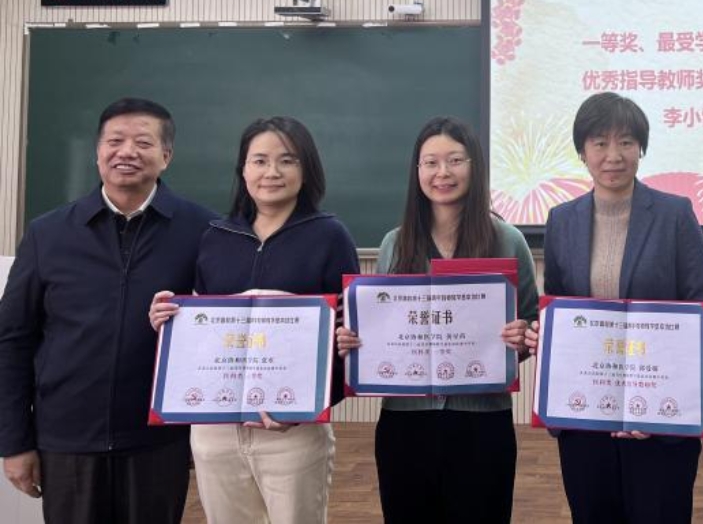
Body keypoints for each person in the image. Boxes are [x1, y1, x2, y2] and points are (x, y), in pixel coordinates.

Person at [0, 97, 215, 524]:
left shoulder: (203, 231)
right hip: (66, 438)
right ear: (98, 152)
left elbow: (218, 332)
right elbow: (12, 341)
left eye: (143, 142)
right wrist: (14, 442)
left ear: (166, 156)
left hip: (159, 440)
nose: (127, 152)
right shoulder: (48, 234)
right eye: (115, 141)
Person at [149, 116, 358, 524]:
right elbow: (199, 333)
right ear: (243, 170)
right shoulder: (215, 237)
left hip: (293, 430)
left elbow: (346, 339)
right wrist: (167, 320)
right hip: (215, 431)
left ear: (306, 170)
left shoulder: (330, 237)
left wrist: (307, 407)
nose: (272, 172)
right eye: (259, 160)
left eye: (287, 160)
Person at [336, 115, 538, 524]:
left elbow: (531, 320)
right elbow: (377, 324)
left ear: (474, 166)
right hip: (405, 422)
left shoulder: (508, 240)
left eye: (455, 160)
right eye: (431, 162)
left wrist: (522, 338)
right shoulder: (395, 243)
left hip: (482, 420)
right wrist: (352, 340)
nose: (442, 172)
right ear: (417, 171)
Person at [530, 92, 703, 524]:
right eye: (600, 143)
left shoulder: (674, 214)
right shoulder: (561, 220)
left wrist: (661, 406)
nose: (613, 155)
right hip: (586, 418)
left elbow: (700, 307)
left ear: (641, 149)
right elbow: (558, 307)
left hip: (659, 423)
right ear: (582, 151)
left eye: (626, 142)